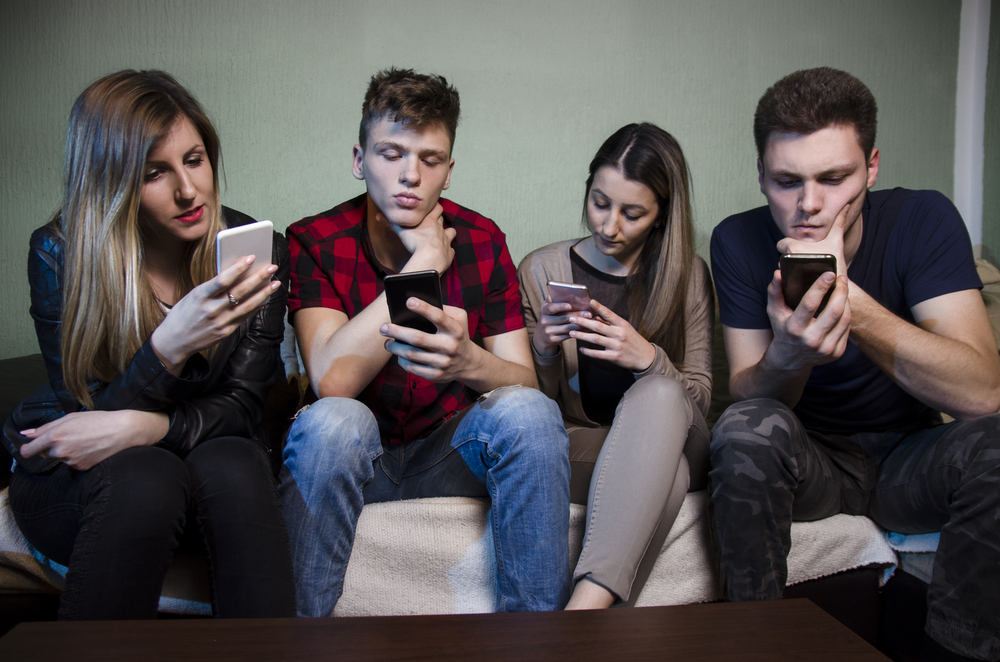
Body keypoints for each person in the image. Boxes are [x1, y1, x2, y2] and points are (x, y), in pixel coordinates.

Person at [710, 67, 1000, 662]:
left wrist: (847, 298)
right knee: (743, 429)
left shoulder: (923, 220)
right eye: (787, 181)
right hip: (810, 458)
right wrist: (788, 356)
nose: (809, 205)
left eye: (834, 178)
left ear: (871, 166)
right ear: (761, 174)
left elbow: (982, 394)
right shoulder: (737, 239)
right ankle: (756, 648)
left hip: (907, 456)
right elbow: (748, 394)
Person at [279, 68, 571, 617]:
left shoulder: (483, 240)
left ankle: (538, 643)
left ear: (449, 170)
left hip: (445, 450)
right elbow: (332, 382)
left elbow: (526, 385)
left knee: (529, 415)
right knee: (332, 421)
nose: (410, 175)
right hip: (355, 452)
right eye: (390, 154)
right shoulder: (314, 240)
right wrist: (427, 260)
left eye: (430, 159)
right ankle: (301, 644)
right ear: (359, 160)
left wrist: (469, 360)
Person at [5, 70, 296, 620]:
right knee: (146, 474)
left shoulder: (257, 249)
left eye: (195, 160)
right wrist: (168, 345)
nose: (189, 190)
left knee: (236, 459)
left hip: (214, 461)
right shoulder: (59, 253)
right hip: (91, 481)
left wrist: (152, 426)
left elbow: (243, 409)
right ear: (110, 183)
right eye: (154, 173)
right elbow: (87, 421)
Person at [518, 123, 712, 609]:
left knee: (662, 395)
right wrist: (542, 347)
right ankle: (587, 621)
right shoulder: (542, 270)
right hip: (588, 439)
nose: (608, 226)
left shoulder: (688, 277)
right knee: (670, 478)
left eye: (632, 213)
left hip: (682, 436)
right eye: (600, 203)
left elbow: (703, 402)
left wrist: (648, 360)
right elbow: (532, 412)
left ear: (662, 214)